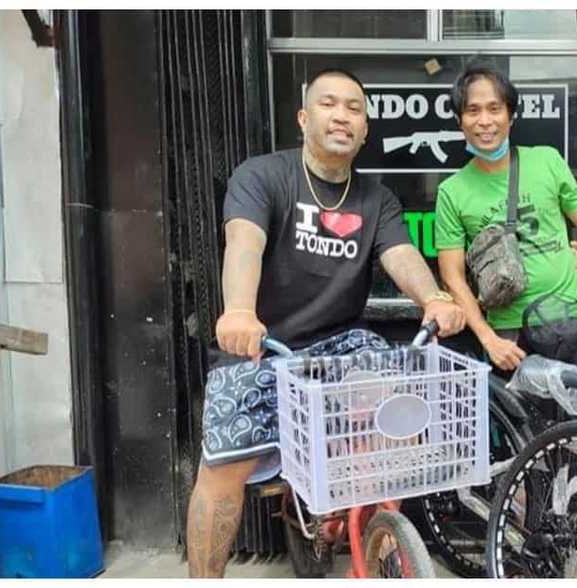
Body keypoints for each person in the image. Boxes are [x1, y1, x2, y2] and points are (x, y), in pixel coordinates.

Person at [185, 68, 464, 578]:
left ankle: (380, 543)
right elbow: (244, 242)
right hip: (264, 345)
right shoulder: (263, 176)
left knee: (398, 397)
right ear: (303, 117)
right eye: (328, 103)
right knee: (223, 462)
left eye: (354, 108)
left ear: (365, 128)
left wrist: (434, 296)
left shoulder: (376, 199)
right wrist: (241, 311)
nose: (341, 115)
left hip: (339, 343)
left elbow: (400, 254)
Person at [434, 64, 577, 435]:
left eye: (494, 108)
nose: (485, 121)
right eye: (473, 111)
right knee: (524, 446)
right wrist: (488, 339)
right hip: (511, 337)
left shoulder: (547, 161)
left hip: (572, 320)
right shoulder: (452, 191)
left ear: (511, 114)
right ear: (460, 121)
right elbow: (452, 276)